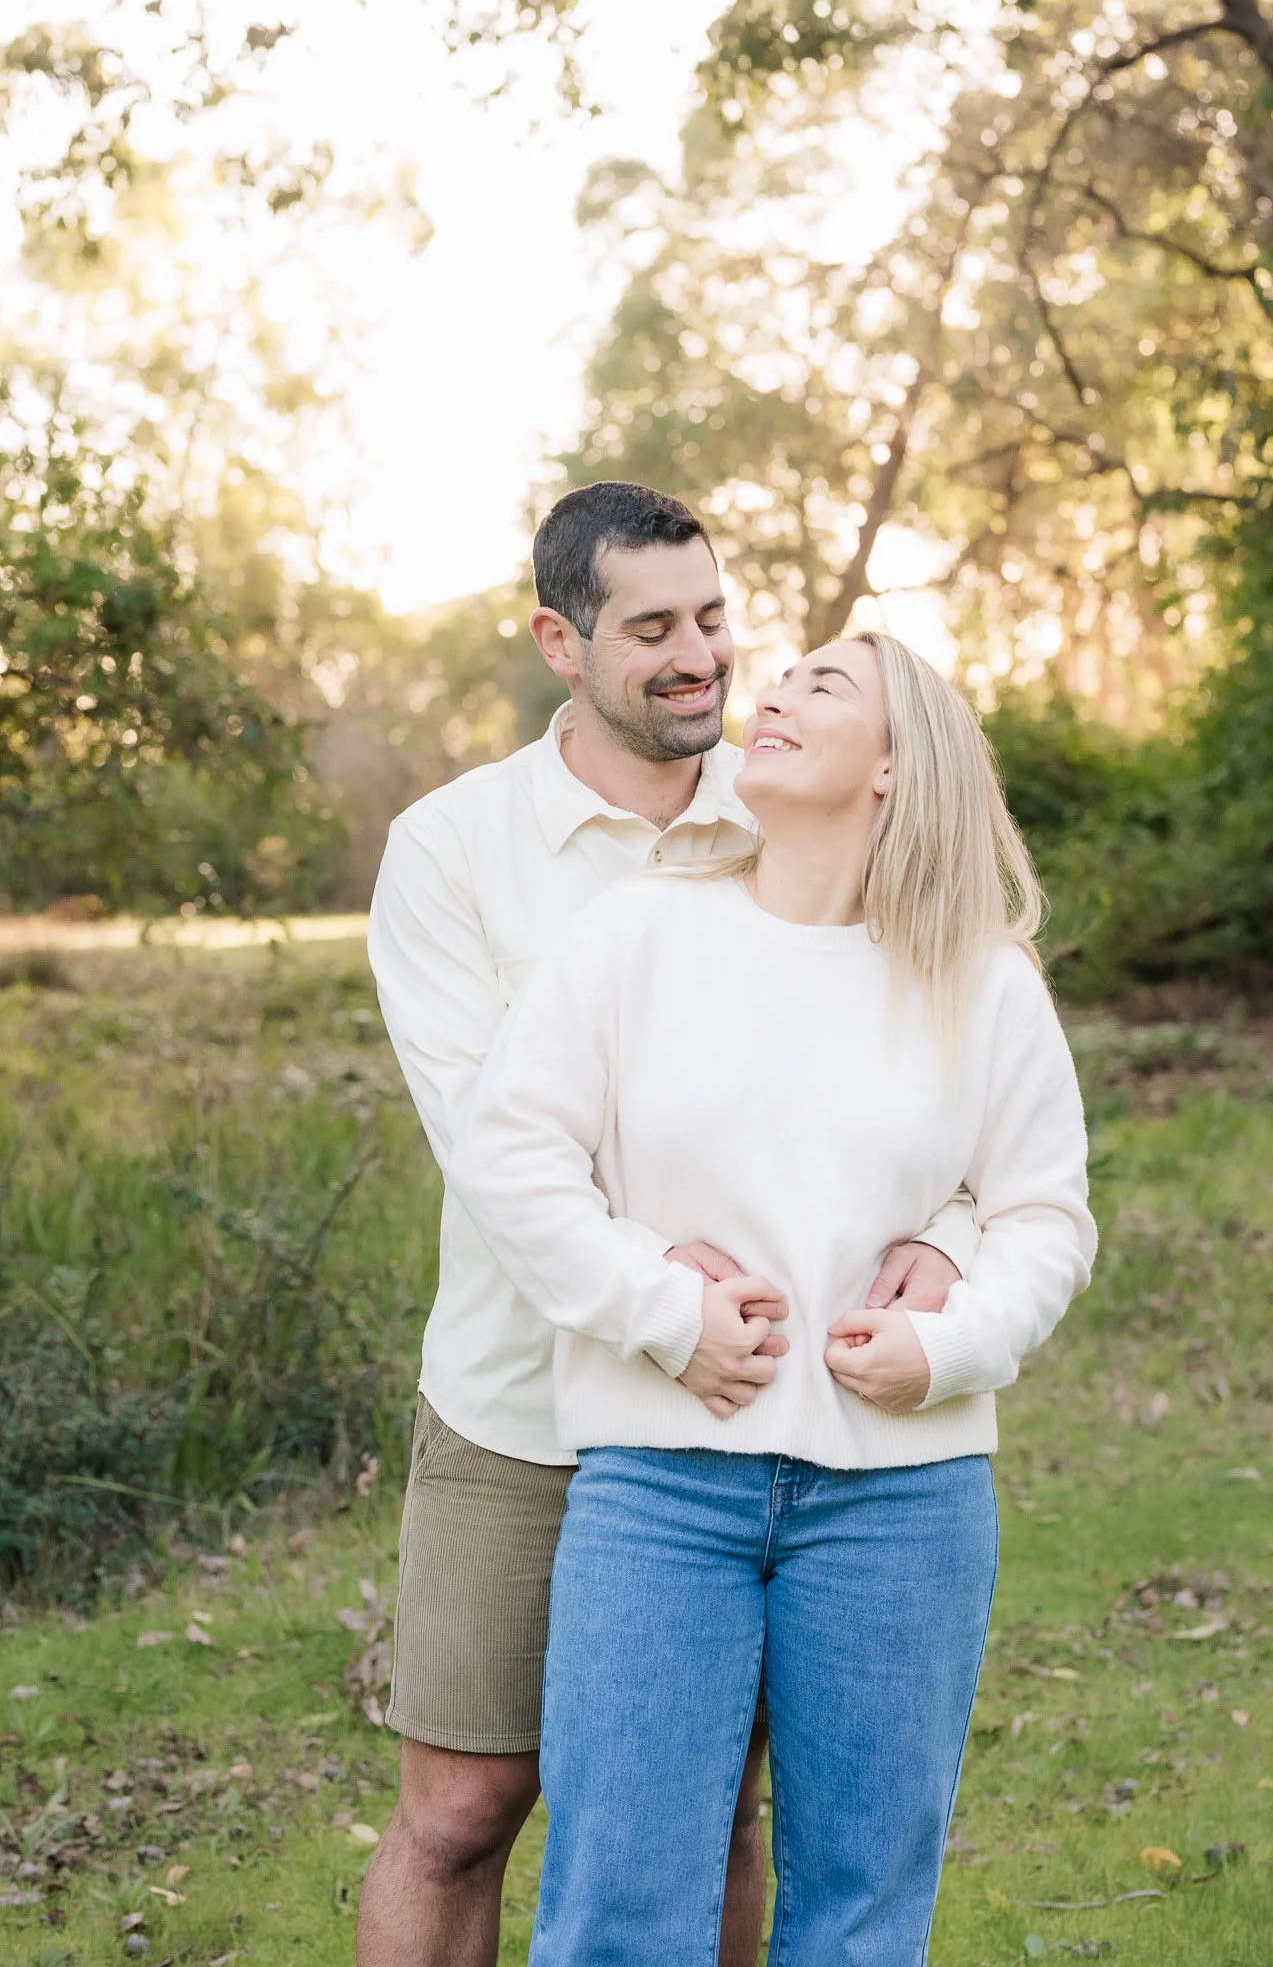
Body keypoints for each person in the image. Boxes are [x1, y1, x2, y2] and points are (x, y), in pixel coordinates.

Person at [360, 486, 976, 1967]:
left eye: (711, 618)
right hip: (525, 1403)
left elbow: (933, 1072)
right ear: (558, 644)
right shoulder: (451, 852)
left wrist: (949, 1229)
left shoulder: (791, 808)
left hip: (752, 1408)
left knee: (713, 1814)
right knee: (463, 1807)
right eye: (652, 631)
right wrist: (655, 1288)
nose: (700, 658)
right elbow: (493, 1150)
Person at [453, 629, 1098, 1966]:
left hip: (902, 1502)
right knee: (618, 1908)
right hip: (660, 1482)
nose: (776, 700)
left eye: (825, 688)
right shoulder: (636, 934)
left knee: (862, 1917)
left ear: (892, 767)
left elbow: (1043, 1217)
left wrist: (944, 1344)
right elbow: (511, 1157)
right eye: (785, 679)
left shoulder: (983, 982)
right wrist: (662, 1313)